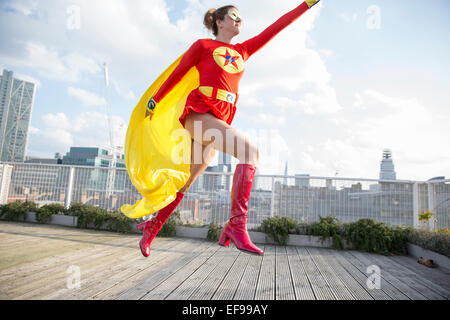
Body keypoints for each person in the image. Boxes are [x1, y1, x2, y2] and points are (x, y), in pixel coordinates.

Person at [125, 0, 321, 257]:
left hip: (219, 120)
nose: (239, 21)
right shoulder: (203, 45)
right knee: (250, 152)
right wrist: (156, 99)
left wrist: (306, 5)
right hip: (199, 115)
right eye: (233, 16)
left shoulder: (243, 51)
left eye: (240, 17)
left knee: (186, 182)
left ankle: (152, 227)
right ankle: (237, 226)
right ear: (219, 22)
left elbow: (276, 27)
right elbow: (179, 73)